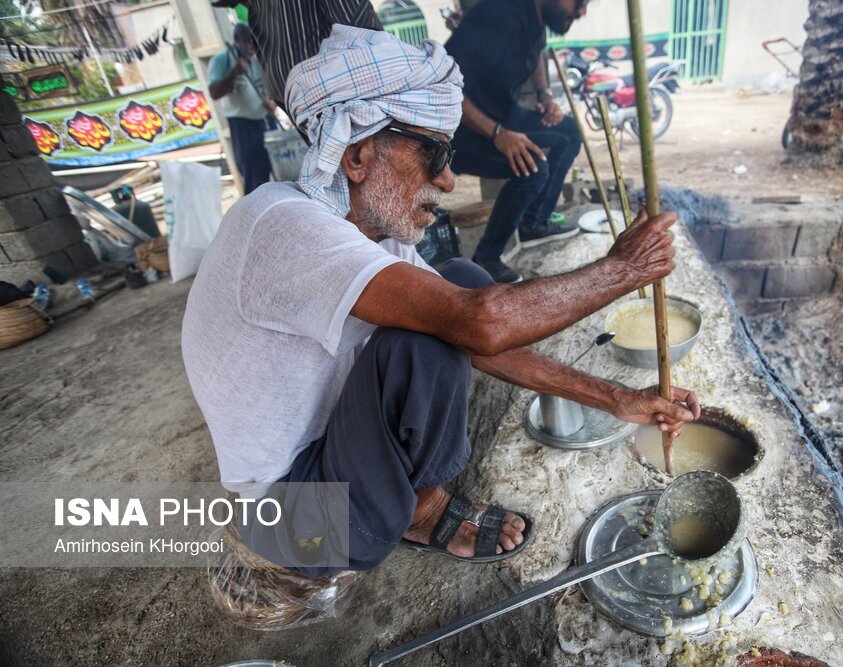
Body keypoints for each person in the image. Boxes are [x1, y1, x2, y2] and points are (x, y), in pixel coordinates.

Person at [182, 28, 699, 576]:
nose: (449, 181)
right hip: (299, 522)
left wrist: (616, 398)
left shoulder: (371, 229)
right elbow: (475, 325)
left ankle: (406, 499)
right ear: (358, 155)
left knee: (460, 279)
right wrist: (623, 271)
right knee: (430, 336)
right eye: (434, 153)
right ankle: (422, 512)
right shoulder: (283, 228)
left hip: (325, 460)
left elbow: (479, 329)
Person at [444, 0, 589, 283]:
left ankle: (534, 223)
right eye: (580, 1)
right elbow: (445, 85)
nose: (582, 11)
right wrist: (498, 134)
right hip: (462, 130)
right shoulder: (499, 17)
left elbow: (537, 52)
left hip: (504, 113)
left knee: (568, 134)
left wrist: (544, 96)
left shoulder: (536, 17)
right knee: (533, 167)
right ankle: (486, 257)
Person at [209, 0, 382, 109]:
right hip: (321, 96)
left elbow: (359, 30)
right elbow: (361, 29)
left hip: (320, 96)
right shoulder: (224, 59)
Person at [208, 22, 278, 194]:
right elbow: (214, 92)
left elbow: (273, 88)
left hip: (265, 120)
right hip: (243, 124)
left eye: (253, 42)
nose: (250, 46)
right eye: (247, 42)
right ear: (237, 40)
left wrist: (272, 102)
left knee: (276, 170)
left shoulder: (259, 57)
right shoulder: (222, 60)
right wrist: (233, 73)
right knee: (254, 176)